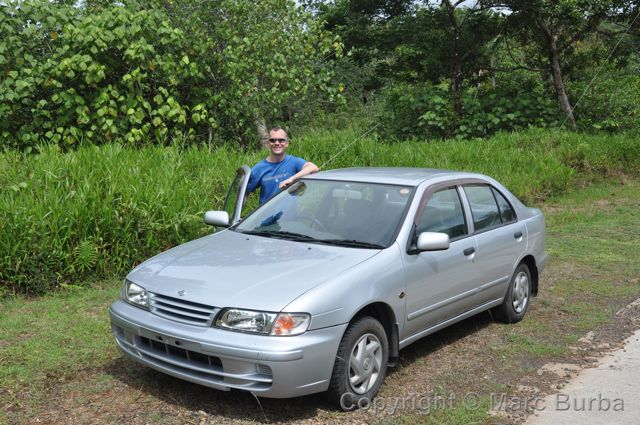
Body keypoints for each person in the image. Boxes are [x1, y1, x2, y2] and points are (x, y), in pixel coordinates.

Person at [246, 127, 319, 204]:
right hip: (267, 214)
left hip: (290, 215)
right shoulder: (259, 167)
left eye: (281, 140)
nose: (277, 143)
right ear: (268, 143)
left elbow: (313, 167)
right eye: (272, 140)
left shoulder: (293, 162)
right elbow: (245, 193)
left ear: (287, 143)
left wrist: (292, 179)